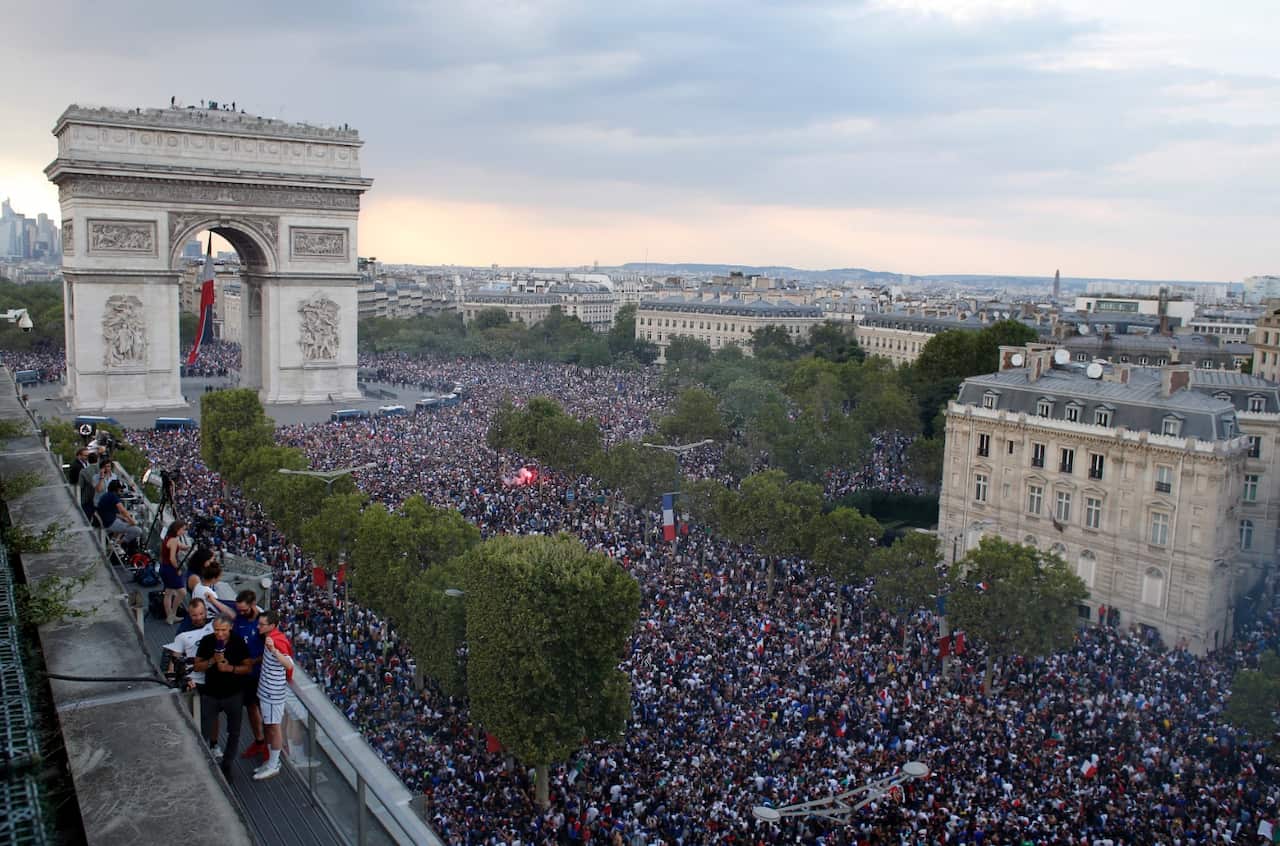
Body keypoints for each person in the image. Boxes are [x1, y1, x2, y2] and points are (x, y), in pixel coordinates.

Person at [194, 618, 252, 782]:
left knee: (234, 732)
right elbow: (197, 666)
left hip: (233, 695)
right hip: (211, 694)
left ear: (230, 628)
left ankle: (227, 765)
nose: (220, 633)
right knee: (204, 729)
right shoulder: (207, 641)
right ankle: (204, 762)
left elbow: (247, 667)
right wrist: (213, 660)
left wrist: (229, 668)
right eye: (217, 630)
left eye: (223, 630)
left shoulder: (238, 641)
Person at [254, 611, 294, 781]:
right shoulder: (272, 636)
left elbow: (289, 664)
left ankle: (274, 764)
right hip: (266, 690)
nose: (258, 627)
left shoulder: (276, 641)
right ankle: (271, 760)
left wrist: (273, 650)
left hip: (272, 692)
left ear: (272, 626)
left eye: (262, 624)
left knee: (273, 727)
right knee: (269, 725)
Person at [232, 590, 268, 764]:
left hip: (260, 673)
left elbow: (271, 650)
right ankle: (259, 741)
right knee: (251, 707)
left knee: (264, 709)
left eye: (245, 610)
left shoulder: (263, 623)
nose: (241, 613)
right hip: (244, 674)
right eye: (239, 610)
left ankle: (271, 745)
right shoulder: (238, 619)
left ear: (253, 604)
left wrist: (254, 661)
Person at [95, 479, 143, 548]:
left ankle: (113, 540)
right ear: (117, 489)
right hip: (109, 524)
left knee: (122, 521)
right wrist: (132, 521)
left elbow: (112, 512)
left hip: (105, 521)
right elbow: (123, 510)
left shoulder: (107, 495)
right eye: (121, 490)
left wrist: (123, 518)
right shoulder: (114, 497)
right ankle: (117, 544)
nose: (122, 491)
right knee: (137, 530)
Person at [160, 520, 190, 624]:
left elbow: (181, 546)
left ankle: (170, 616)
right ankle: (172, 614)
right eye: (183, 529)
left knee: (168, 592)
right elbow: (172, 558)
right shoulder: (173, 540)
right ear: (177, 529)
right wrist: (177, 569)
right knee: (182, 592)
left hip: (164, 567)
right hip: (170, 568)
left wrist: (188, 547)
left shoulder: (170, 538)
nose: (184, 532)